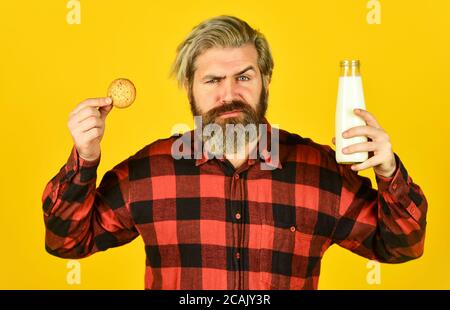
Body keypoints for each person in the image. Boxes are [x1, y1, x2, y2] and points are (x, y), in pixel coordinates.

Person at [42, 15, 427, 290]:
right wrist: (85, 158)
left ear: (266, 81)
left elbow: (401, 246)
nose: (229, 95)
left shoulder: (319, 170)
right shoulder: (148, 172)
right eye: (212, 80)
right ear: (189, 89)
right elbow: (68, 242)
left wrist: (389, 170)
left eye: (243, 77)